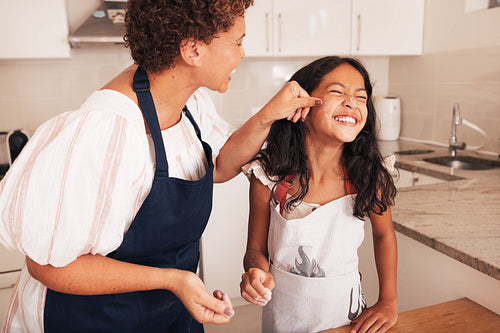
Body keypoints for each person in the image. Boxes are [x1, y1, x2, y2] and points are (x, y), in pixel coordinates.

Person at [0, 0, 321, 332]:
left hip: (163, 309)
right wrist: (172, 279)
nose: (242, 53)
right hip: (89, 318)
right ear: (192, 50)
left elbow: (221, 165)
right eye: (237, 42)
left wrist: (268, 114)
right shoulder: (109, 130)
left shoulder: (190, 102)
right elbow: (48, 267)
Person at [240, 56, 398, 333]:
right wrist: (256, 271)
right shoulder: (269, 176)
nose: (352, 102)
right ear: (302, 105)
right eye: (338, 92)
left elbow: (384, 235)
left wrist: (388, 300)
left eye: (361, 97)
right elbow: (255, 249)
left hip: (346, 317)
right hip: (283, 316)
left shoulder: (370, 176)